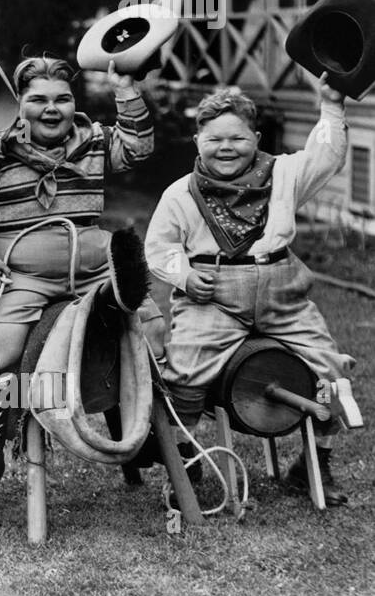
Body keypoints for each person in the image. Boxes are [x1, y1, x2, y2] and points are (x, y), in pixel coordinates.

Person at [0, 55, 162, 487]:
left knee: (150, 329)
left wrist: (125, 88)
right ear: (19, 104)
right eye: (38, 99)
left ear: (74, 103)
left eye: (62, 99)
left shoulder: (94, 140)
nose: (52, 108)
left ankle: (148, 427)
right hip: (20, 273)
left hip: (91, 267)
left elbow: (139, 147)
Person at [144, 82, 352, 505]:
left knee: (333, 372)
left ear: (256, 139)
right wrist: (183, 276)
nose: (226, 147)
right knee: (183, 373)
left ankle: (316, 463)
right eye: (214, 139)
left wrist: (331, 107)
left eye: (237, 138)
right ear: (197, 139)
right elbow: (159, 248)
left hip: (283, 295)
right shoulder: (180, 193)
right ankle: (183, 458)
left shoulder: (283, 174)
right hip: (212, 299)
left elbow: (326, 156)